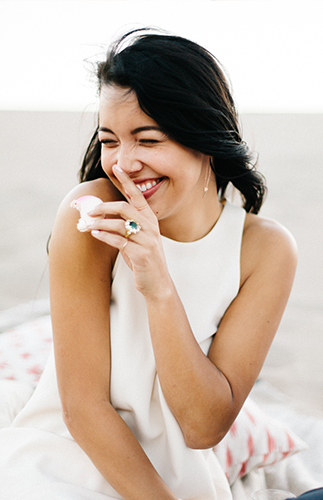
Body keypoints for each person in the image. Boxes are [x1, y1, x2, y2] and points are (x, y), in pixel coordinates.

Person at [0, 28, 298, 499]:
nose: (124, 163)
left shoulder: (265, 250)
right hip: (64, 460)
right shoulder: (90, 215)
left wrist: (158, 285)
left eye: (148, 138)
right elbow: (83, 408)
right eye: (110, 140)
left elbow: (203, 428)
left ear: (203, 137)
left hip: (179, 477)